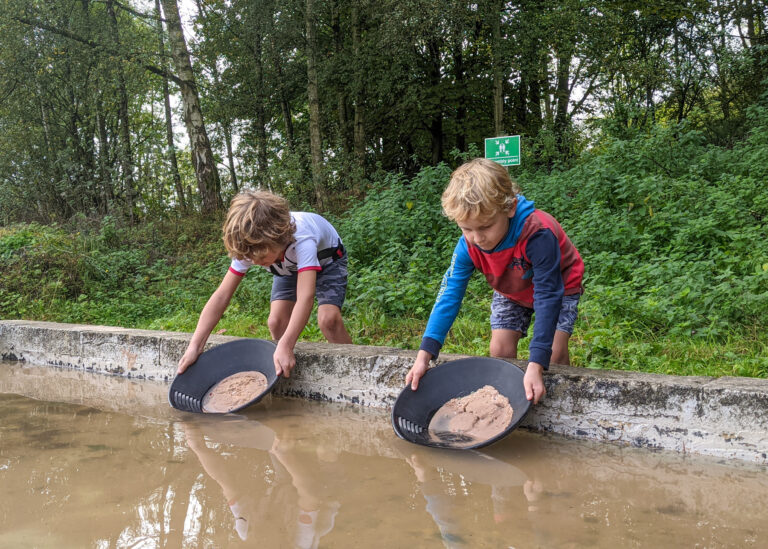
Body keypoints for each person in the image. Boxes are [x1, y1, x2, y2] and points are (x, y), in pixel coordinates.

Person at [405, 158, 584, 404]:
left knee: (553, 353)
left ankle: (562, 402)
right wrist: (424, 355)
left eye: (486, 226)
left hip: (559, 286)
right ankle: (510, 403)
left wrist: (535, 363)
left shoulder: (538, 234)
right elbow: (449, 294)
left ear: (510, 208)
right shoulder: (467, 246)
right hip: (512, 289)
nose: (477, 238)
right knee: (500, 350)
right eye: (467, 229)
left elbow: (547, 295)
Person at [177, 190, 352, 377]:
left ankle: (351, 369)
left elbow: (305, 297)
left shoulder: (303, 239)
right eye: (250, 258)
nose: (255, 262)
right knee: (276, 322)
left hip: (328, 260)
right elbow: (222, 296)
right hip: (287, 266)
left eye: (261, 257)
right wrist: (195, 346)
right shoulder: (249, 246)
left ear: (277, 238)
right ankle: (285, 367)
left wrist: (287, 344)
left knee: (328, 320)